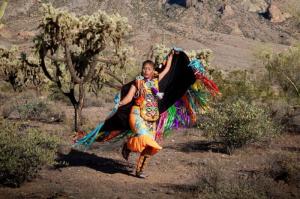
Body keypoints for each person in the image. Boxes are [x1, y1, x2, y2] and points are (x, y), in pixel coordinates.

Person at [118, 51, 174, 178]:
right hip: (137, 114)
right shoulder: (137, 82)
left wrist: (171, 56)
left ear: (153, 70)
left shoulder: (156, 81)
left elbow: (168, 69)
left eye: (149, 69)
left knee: (149, 145)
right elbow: (128, 98)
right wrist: (120, 103)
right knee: (144, 137)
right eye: (144, 68)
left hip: (151, 119)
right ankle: (128, 144)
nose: (146, 71)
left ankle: (140, 170)